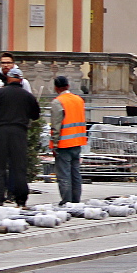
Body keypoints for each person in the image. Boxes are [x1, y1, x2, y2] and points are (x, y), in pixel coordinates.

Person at [0, 67, 40, 207]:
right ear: (21, 80)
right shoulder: (28, 96)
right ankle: (21, 199)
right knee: (18, 167)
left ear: (8, 79)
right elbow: (35, 115)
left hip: (0, 132)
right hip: (19, 133)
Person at [50, 76, 86, 205]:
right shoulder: (79, 100)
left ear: (56, 87)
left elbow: (56, 125)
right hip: (78, 141)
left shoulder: (57, 102)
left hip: (63, 143)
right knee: (75, 173)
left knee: (64, 174)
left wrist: (54, 144)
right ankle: (76, 200)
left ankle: (66, 201)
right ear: (68, 86)